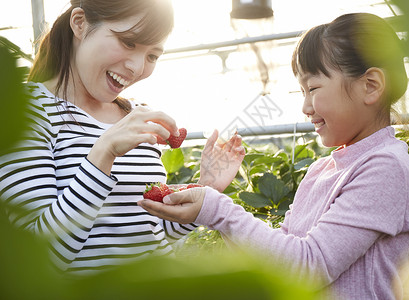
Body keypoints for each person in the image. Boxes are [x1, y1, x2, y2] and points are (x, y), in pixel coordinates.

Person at [138, 13, 409, 299]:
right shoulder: (321, 170)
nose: (305, 106)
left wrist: (217, 209)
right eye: (302, 91)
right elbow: (277, 263)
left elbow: (308, 267)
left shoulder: (387, 167)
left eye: (313, 88)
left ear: (370, 85)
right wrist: (208, 194)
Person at [0, 0, 245, 275]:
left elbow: (150, 230)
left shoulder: (133, 114)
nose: (137, 67)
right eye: (128, 42)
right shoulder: (24, 110)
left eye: (152, 55)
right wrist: (103, 152)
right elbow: (38, 260)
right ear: (80, 23)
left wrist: (206, 187)